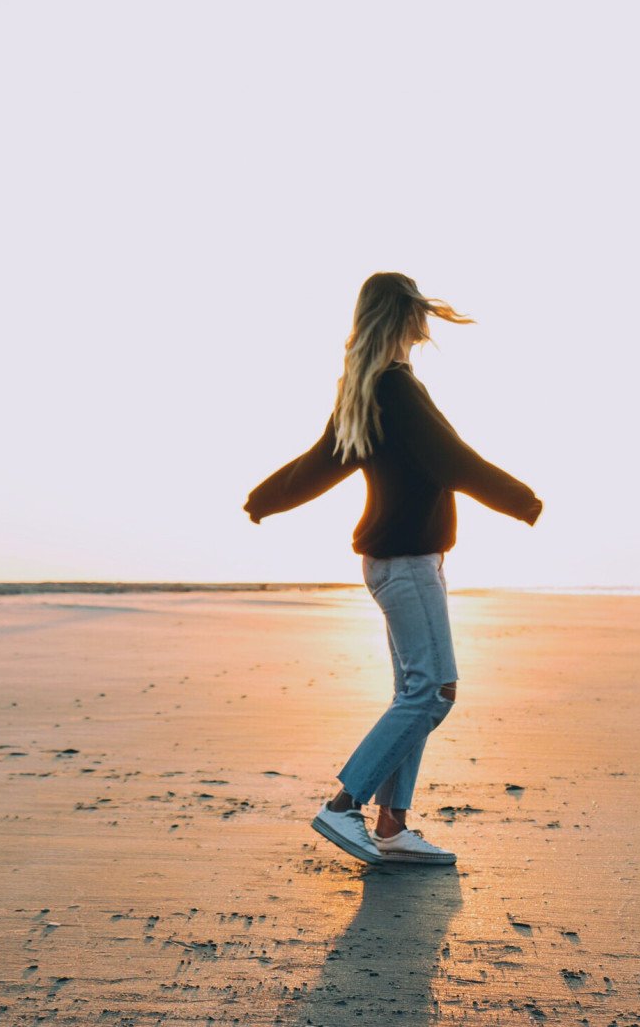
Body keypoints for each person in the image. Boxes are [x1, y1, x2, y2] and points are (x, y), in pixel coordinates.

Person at [244, 272, 542, 865]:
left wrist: (263, 499)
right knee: (434, 690)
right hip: (406, 563)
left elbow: (316, 465)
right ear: (409, 318)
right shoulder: (397, 390)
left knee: (415, 692)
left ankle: (392, 826)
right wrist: (522, 501)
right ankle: (344, 804)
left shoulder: (366, 390)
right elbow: (452, 460)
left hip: (394, 562)